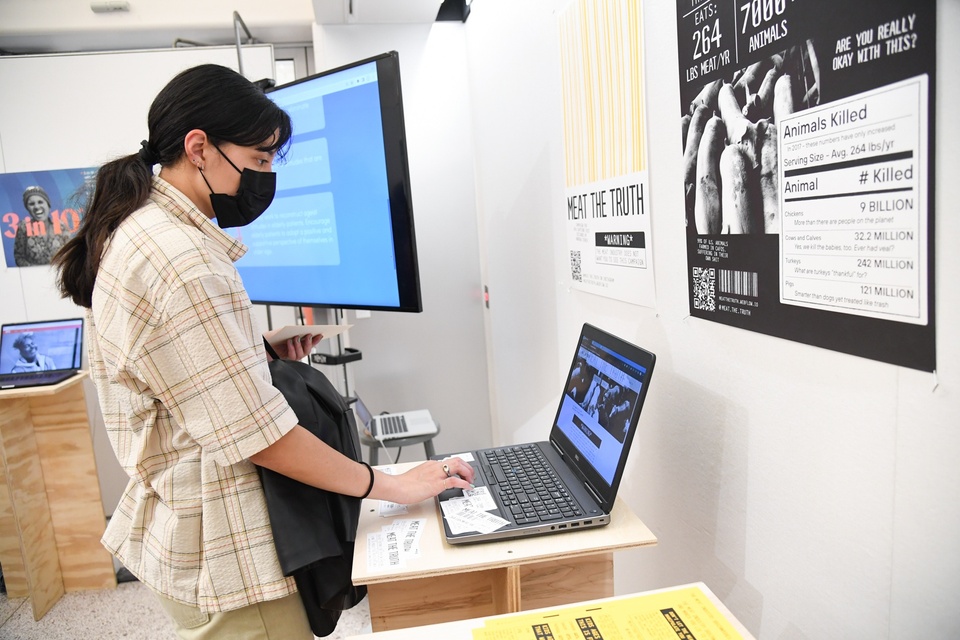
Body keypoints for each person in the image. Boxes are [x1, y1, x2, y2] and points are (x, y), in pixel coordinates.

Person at [51, 64, 474, 640]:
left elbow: (167, 371)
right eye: (258, 161)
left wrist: (250, 348)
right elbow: (263, 438)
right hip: (227, 556)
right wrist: (391, 485)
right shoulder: (184, 263)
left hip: (180, 524)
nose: (265, 179)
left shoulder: (141, 229)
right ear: (198, 148)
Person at [13, 185, 69, 267]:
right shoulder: (23, 227)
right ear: (27, 208)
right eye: (31, 204)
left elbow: (70, 252)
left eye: (40, 202)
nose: (36, 207)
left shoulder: (61, 225)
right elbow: (19, 257)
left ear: (48, 205)